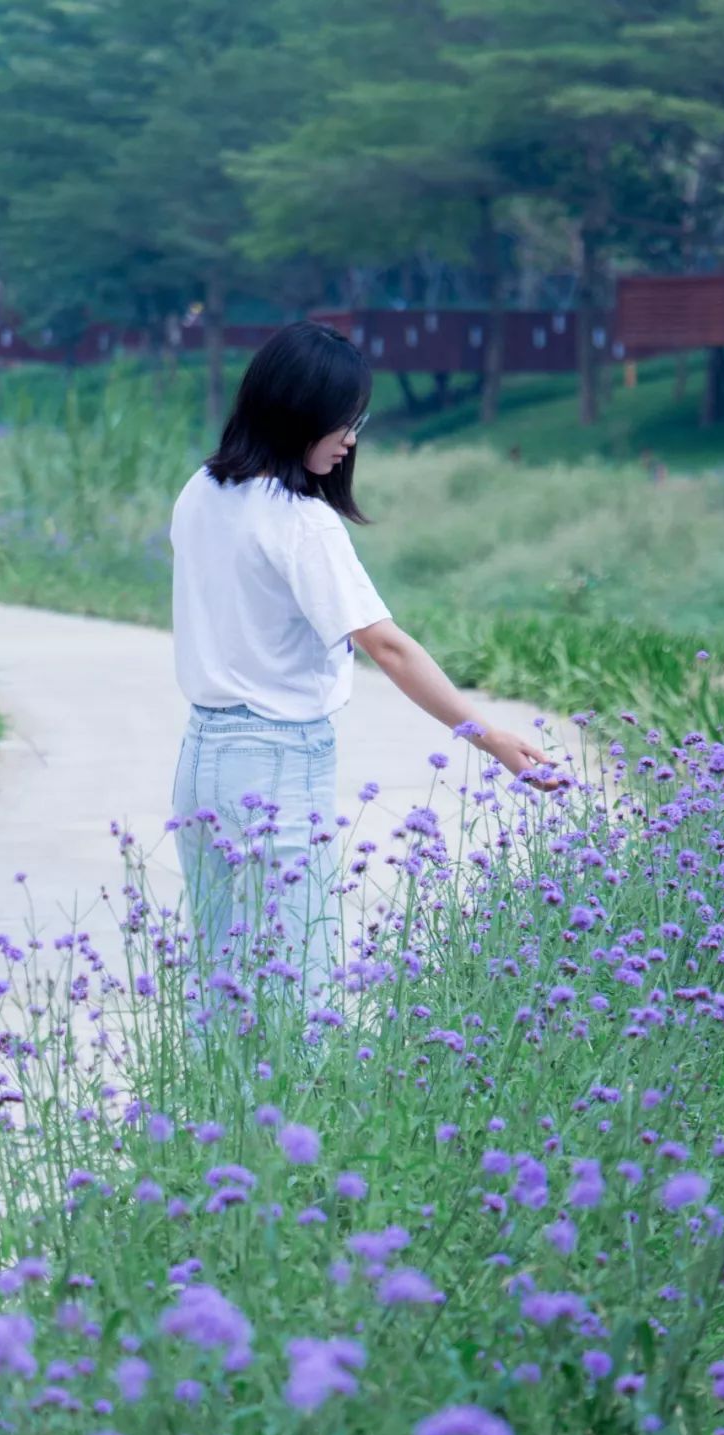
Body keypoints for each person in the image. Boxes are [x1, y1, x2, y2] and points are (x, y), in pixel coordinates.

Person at [169, 320, 562, 1032]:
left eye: (357, 421)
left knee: (222, 987)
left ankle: (206, 1139)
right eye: (343, 421)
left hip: (201, 761)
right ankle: (295, 1137)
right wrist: (487, 735)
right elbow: (389, 648)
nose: (351, 438)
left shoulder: (201, 491)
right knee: (299, 992)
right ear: (297, 414)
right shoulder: (299, 523)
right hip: (276, 763)